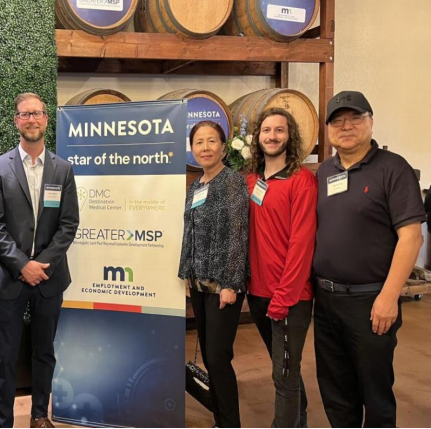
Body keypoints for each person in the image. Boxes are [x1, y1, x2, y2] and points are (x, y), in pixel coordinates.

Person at [313, 91, 425, 427]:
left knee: (375, 393)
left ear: (371, 122)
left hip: (371, 301)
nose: (346, 126)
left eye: (355, 118)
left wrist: (389, 297)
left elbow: (411, 237)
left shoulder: (393, 168)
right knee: (335, 390)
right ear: (328, 129)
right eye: (337, 121)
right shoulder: (324, 172)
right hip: (326, 300)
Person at [0, 92, 79, 428]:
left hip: (49, 279)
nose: (31, 119)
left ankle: (39, 415)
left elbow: (69, 224)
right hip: (9, 278)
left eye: (37, 113)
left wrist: (42, 265)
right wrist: (23, 265)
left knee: (44, 352)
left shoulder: (63, 170)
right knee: (4, 356)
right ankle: (3, 422)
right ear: (16, 121)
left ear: (46, 119)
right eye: (25, 114)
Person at [245, 108, 317, 428]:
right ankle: (299, 420)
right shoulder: (252, 180)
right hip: (258, 293)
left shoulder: (302, 181)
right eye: (266, 130)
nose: (272, 136)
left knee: (283, 375)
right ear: (258, 137)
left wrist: (284, 297)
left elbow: (302, 244)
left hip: (289, 297)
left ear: (290, 136)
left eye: (279, 130)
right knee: (285, 368)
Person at [178, 120, 249, 428]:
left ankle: (230, 423)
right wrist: (187, 273)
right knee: (209, 356)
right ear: (192, 149)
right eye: (199, 142)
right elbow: (190, 232)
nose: (205, 148)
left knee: (219, 358)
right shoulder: (196, 185)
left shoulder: (232, 182)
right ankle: (221, 419)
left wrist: (231, 284)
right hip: (199, 283)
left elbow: (237, 234)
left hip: (223, 285)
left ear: (223, 146)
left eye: (211, 141)